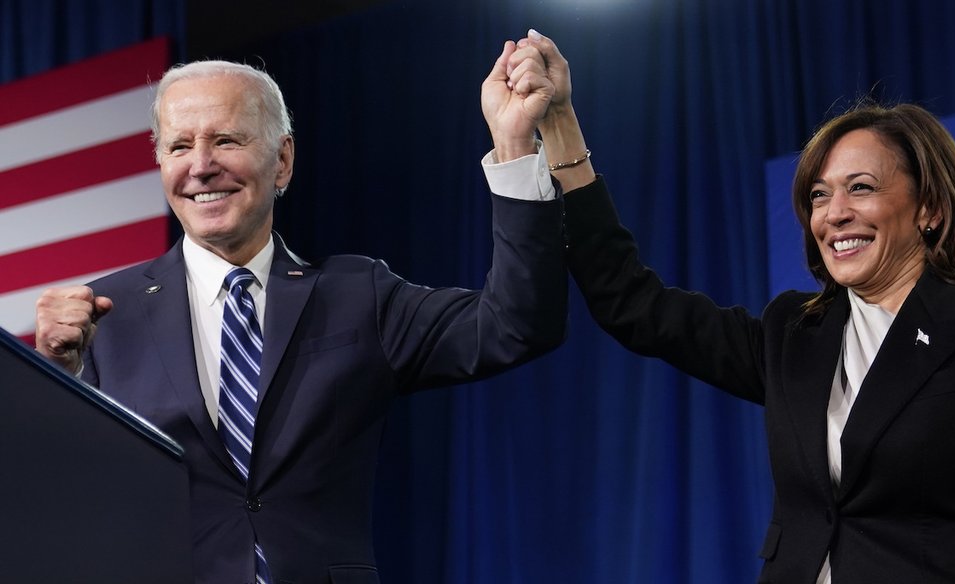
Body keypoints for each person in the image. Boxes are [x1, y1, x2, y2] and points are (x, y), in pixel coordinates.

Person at [34, 38, 567, 584]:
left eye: (225, 140)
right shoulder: (105, 316)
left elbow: (516, 326)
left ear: (282, 159)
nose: (201, 166)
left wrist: (513, 146)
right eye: (178, 147)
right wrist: (56, 373)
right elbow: (50, 494)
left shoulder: (359, 295)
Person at [509, 31, 955, 583]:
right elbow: (632, 304)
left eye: (861, 187)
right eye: (820, 195)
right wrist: (559, 125)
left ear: (930, 208)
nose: (835, 213)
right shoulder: (795, 331)